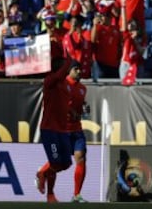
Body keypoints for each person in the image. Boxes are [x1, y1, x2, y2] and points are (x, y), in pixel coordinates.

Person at [35, 56, 71, 203]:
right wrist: (69, 61)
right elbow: (60, 74)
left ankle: (42, 172)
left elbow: (64, 104)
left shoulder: (65, 85)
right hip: (50, 129)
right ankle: (50, 195)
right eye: (63, 66)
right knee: (55, 162)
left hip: (62, 130)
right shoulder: (49, 80)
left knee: (66, 163)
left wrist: (73, 112)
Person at [65, 61, 89, 202]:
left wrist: (84, 109)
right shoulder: (63, 85)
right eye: (76, 69)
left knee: (81, 157)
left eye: (80, 69)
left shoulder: (82, 88)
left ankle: (76, 195)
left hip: (77, 129)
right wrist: (72, 111)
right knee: (59, 163)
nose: (79, 71)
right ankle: (41, 173)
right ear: (69, 71)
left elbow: (80, 106)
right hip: (63, 129)